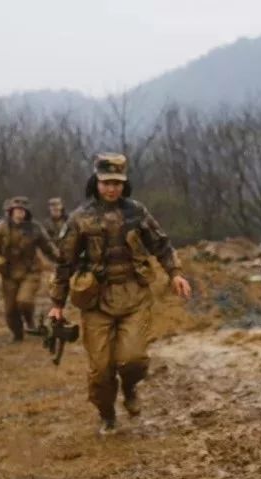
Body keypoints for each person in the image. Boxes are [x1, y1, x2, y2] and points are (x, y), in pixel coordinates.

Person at [48, 153, 192, 434]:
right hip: (95, 301)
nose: (112, 188)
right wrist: (57, 303)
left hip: (134, 297)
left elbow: (160, 244)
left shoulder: (136, 212)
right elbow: (64, 262)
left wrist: (175, 273)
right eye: (106, 182)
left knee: (133, 359)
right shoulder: (80, 218)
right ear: (96, 182)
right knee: (100, 370)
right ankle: (107, 413)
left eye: (117, 182)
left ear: (124, 183)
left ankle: (129, 388)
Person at [0, 196, 60, 341]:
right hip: (8, 273)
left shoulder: (35, 228)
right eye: (17, 210)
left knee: (24, 301)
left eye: (23, 210)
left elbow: (49, 248)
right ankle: (18, 334)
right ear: (11, 211)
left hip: (30, 272)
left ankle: (30, 322)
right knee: (10, 311)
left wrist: (62, 261)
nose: (20, 213)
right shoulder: (1, 228)